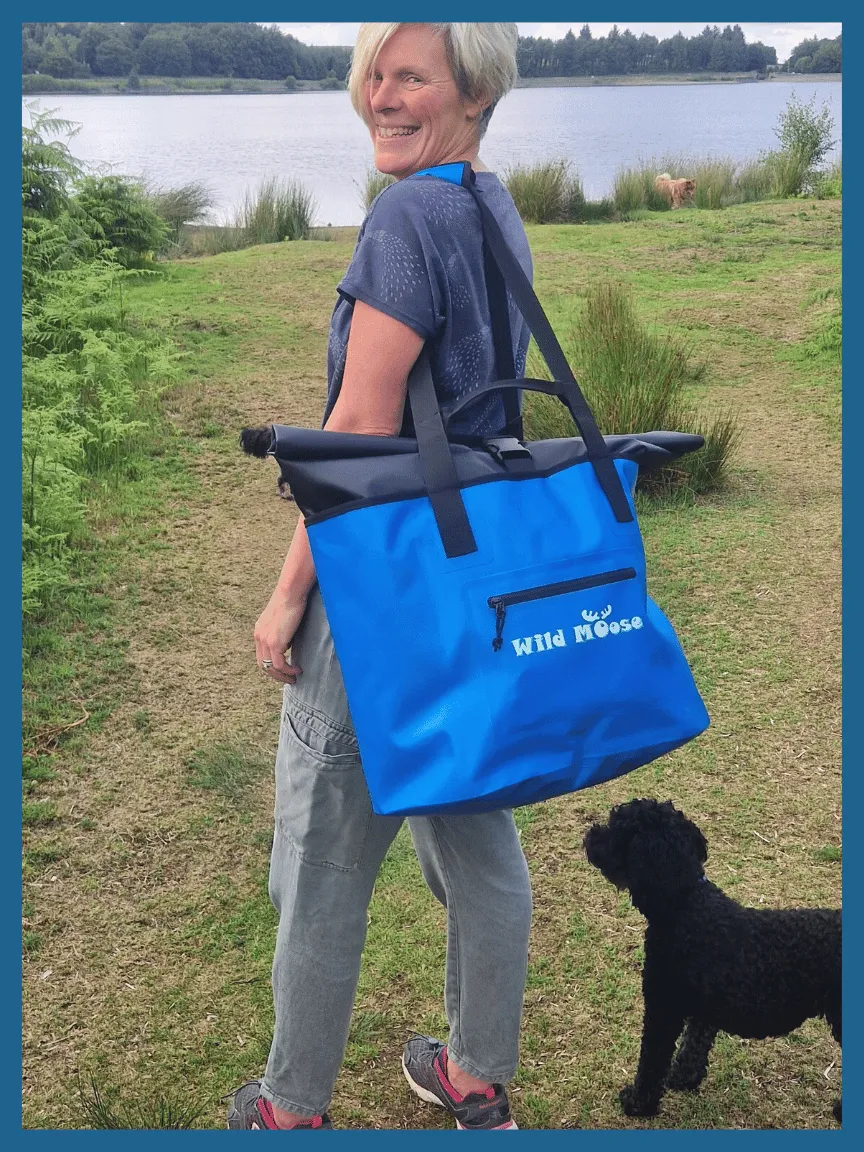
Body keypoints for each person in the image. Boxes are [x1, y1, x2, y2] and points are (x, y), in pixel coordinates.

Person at [229, 22, 535, 1132]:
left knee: (320, 862)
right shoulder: (489, 202)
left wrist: (286, 594)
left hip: (380, 594)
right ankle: (476, 1074)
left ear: (473, 92)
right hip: (468, 582)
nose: (381, 97)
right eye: (374, 74)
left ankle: (291, 1107)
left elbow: (358, 430)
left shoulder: (408, 215)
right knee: (475, 835)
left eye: (411, 76)